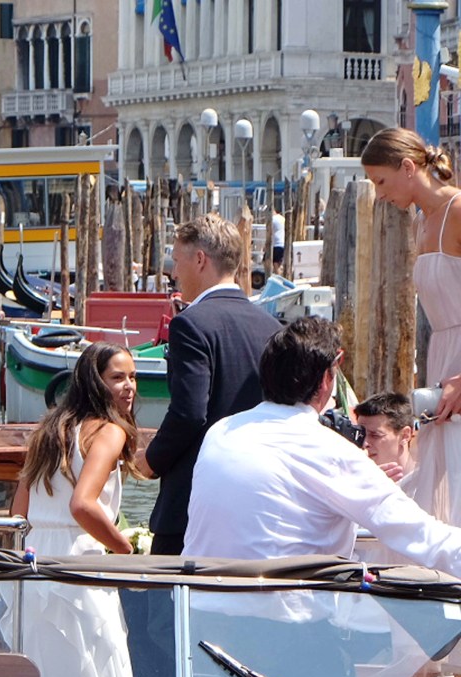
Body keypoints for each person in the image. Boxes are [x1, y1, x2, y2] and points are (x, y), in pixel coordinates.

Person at [183, 316, 461, 578]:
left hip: (201, 609)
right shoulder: (330, 451)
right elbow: (419, 534)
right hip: (283, 616)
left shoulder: (220, 432)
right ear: (328, 379)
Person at [135, 212, 280, 555]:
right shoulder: (271, 327)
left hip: (194, 500)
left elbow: (189, 412)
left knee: (169, 605)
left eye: (176, 260)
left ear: (200, 259)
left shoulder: (191, 325)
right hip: (254, 499)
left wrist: (151, 460)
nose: (173, 272)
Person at [11, 341, 140, 677]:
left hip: (35, 561)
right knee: (95, 674)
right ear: (94, 382)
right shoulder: (111, 432)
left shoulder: (49, 430)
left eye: (133, 377)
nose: (130, 386)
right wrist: (124, 549)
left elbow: (19, 512)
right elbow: (83, 505)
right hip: (78, 560)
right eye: (118, 378)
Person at [362, 127, 461, 524]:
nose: (380, 194)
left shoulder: (456, 212)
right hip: (442, 363)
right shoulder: (423, 222)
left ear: (407, 167)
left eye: (381, 181)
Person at [353, 391, 416, 487]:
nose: (365, 443)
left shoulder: (427, 483)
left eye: (375, 435)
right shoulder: (355, 481)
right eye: (361, 434)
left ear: (405, 435)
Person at [272, 209, 285, 274]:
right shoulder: (282, 218)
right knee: (278, 264)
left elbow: (269, 232)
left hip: (276, 244)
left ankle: (278, 277)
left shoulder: (272, 219)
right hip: (283, 243)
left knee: (275, 264)